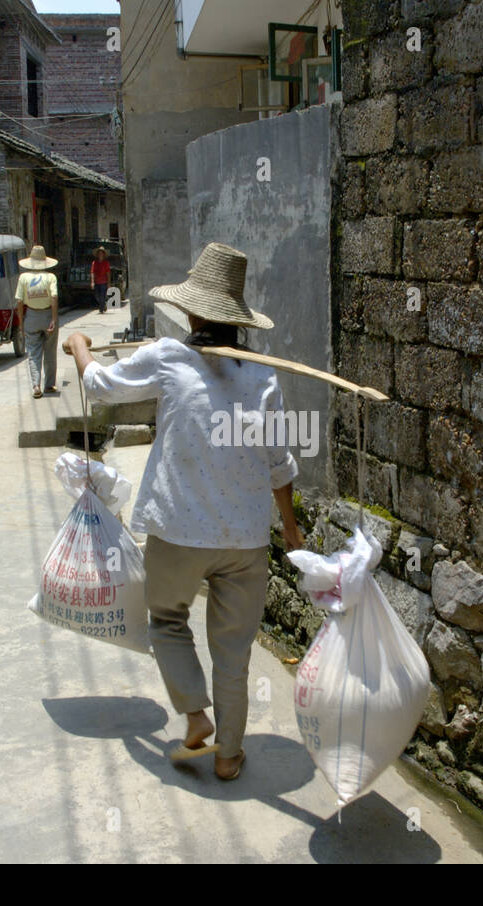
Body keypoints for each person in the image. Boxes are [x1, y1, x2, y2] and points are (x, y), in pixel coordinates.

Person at [64, 242, 305, 781]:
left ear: (193, 311)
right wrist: (289, 529)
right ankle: (228, 757)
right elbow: (279, 463)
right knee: (234, 654)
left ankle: (195, 714)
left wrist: (80, 345)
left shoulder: (169, 356)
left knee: (167, 620)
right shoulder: (262, 376)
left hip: (178, 532)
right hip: (244, 540)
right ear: (236, 320)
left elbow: (99, 385)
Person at [14, 245, 59, 398]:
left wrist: (21, 323)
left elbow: (19, 301)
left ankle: (35, 386)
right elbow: (54, 297)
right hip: (48, 315)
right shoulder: (51, 277)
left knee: (33, 353)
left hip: (31, 317)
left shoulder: (23, 278)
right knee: (50, 352)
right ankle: (49, 385)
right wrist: (53, 318)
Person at [91, 246, 111, 314]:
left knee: (102, 296)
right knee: (97, 296)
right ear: (97, 254)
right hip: (97, 281)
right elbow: (92, 273)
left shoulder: (106, 263)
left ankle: (101, 309)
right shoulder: (94, 263)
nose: (100, 254)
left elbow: (108, 273)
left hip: (104, 282)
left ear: (103, 254)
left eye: (101, 253)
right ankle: (104, 305)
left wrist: (108, 283)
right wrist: (92, 282)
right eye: (99, 253)